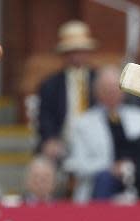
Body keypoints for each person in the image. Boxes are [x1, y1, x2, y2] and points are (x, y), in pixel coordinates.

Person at [63, 65, 140, 201]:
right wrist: (110, 168)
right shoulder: (82, 124)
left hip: (138, 178)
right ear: (97, 92)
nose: (112, 93)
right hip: (100, 184)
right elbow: (77, 164)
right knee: (104, 178)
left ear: (123, 91)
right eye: (106, 89)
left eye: (115, 89)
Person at [35, 20, 98, 162]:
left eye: (80, 51)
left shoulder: (100, 80)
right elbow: (45, 117)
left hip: (96, 142)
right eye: (71, 52)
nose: (76, 56)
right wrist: (50, 139)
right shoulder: (50, 84)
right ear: (63, 54)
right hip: (62, 143)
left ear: (88, 52)